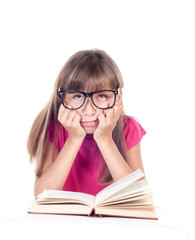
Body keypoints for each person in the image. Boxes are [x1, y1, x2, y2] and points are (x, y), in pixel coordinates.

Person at [27, 49, 146, 198]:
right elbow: (41, 195)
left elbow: (140, 196)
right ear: (64, 99)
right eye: (77, 96)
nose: (89, 111)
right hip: (65, 220)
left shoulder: (128, 128)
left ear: (118, 97)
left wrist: (105, 139)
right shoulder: (55, 129)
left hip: (114, 221)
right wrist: (74, 138)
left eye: (101, 96)